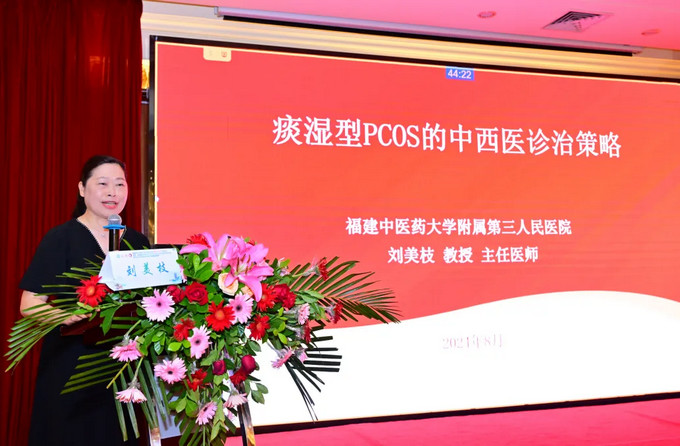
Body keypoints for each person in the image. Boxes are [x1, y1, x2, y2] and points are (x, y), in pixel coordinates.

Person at [19, 155, 149, 446]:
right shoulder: (61, 238)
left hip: (122, 371)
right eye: (103, 184)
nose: (113, 192)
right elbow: (29, 303)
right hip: (71, 368)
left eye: (120, 184)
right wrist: (63, 316)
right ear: (82, 189)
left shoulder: (138, 242)